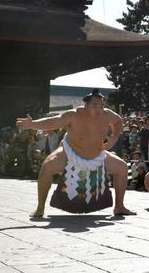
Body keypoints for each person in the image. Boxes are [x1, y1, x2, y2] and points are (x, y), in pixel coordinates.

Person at [16, 89, 136, 217]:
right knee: (47, 166)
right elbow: (54, 121)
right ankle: (40, 208)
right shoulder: (73, 115)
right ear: (86, 105)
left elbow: (118, 122)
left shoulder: (107, 115)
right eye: (94, 105)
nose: (99, 109)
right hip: (70, 152)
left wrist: (114, 138)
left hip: (97, 155)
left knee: (122, 167)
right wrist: (32, 124)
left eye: (101, 106)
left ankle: (119, 207)